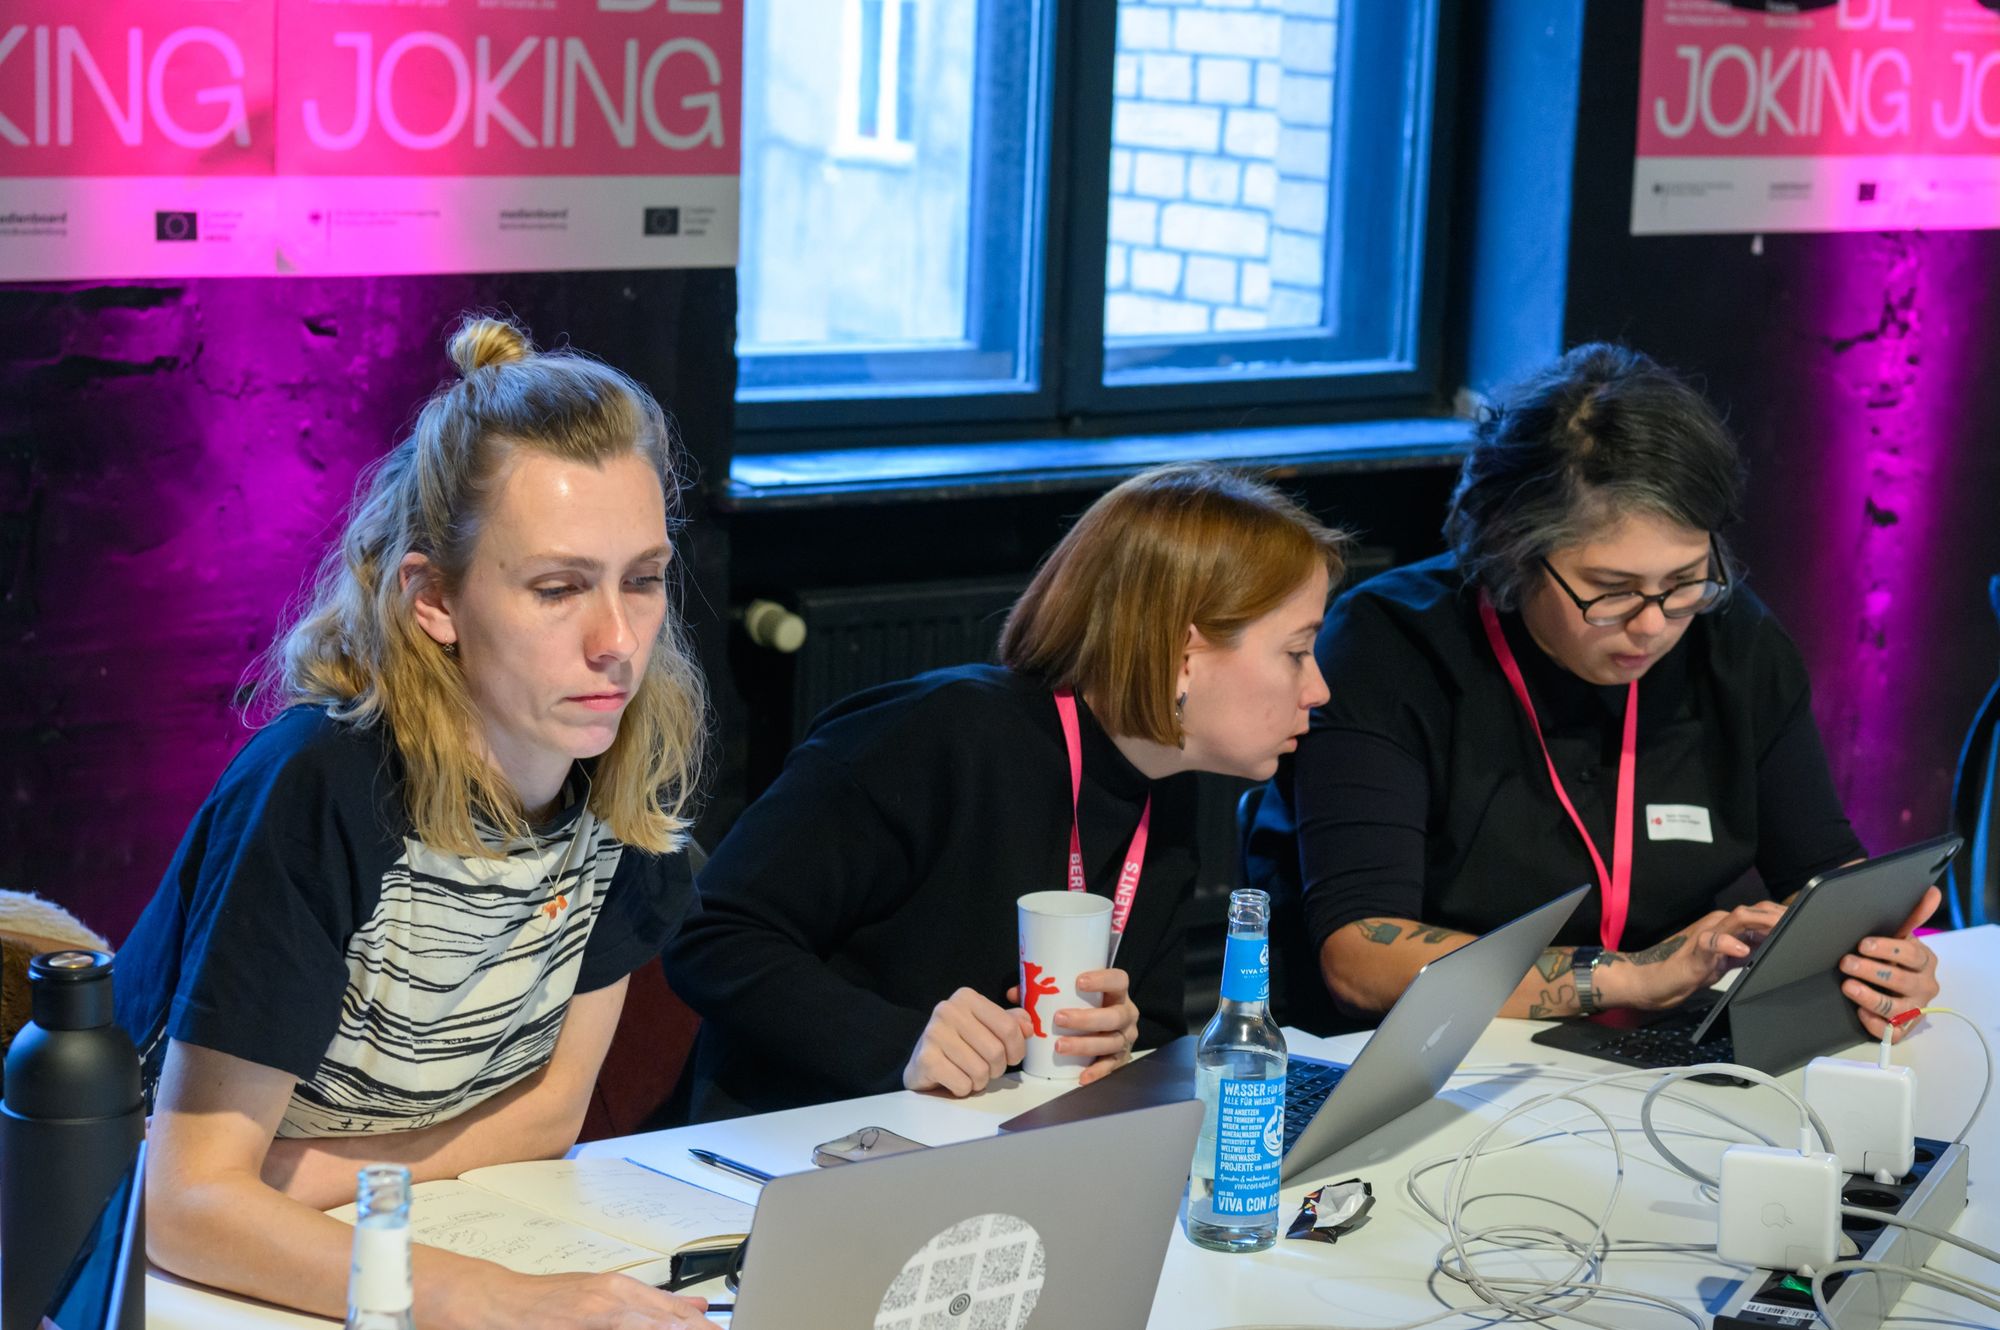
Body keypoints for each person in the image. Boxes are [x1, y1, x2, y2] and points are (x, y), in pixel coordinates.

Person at [114, 317, 723, 1329]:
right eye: (557, 587)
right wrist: (498, 1298)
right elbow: (183, 1202)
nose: (617, 641)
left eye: (644, 578)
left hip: (362, 1231)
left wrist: (294, 1177)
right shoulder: (322, 786)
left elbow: (546, 1115)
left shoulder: (621, 763)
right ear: (432, 597)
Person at [1248, 344, 1941, 1037]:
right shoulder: (1390, 648)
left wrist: (1877, 957)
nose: (1652, 625)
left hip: (1651, 1058)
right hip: (1428, 1064)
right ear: (1511, 550)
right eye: (1610, 593)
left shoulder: (1733, 642)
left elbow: (1821, 877)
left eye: (1685, 582)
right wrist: (1631, 977)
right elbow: (1360, 958)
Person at [665, 463, 1349, 1119]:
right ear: (1183, 654)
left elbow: (1158, 1022)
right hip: (796, 1146)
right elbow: (712, 935)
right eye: (1296, 652)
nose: (1317, 690)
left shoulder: (1162, 784)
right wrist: (902, 1043)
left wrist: (1120, 1041)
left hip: (987, 1150)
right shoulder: (941, 734)